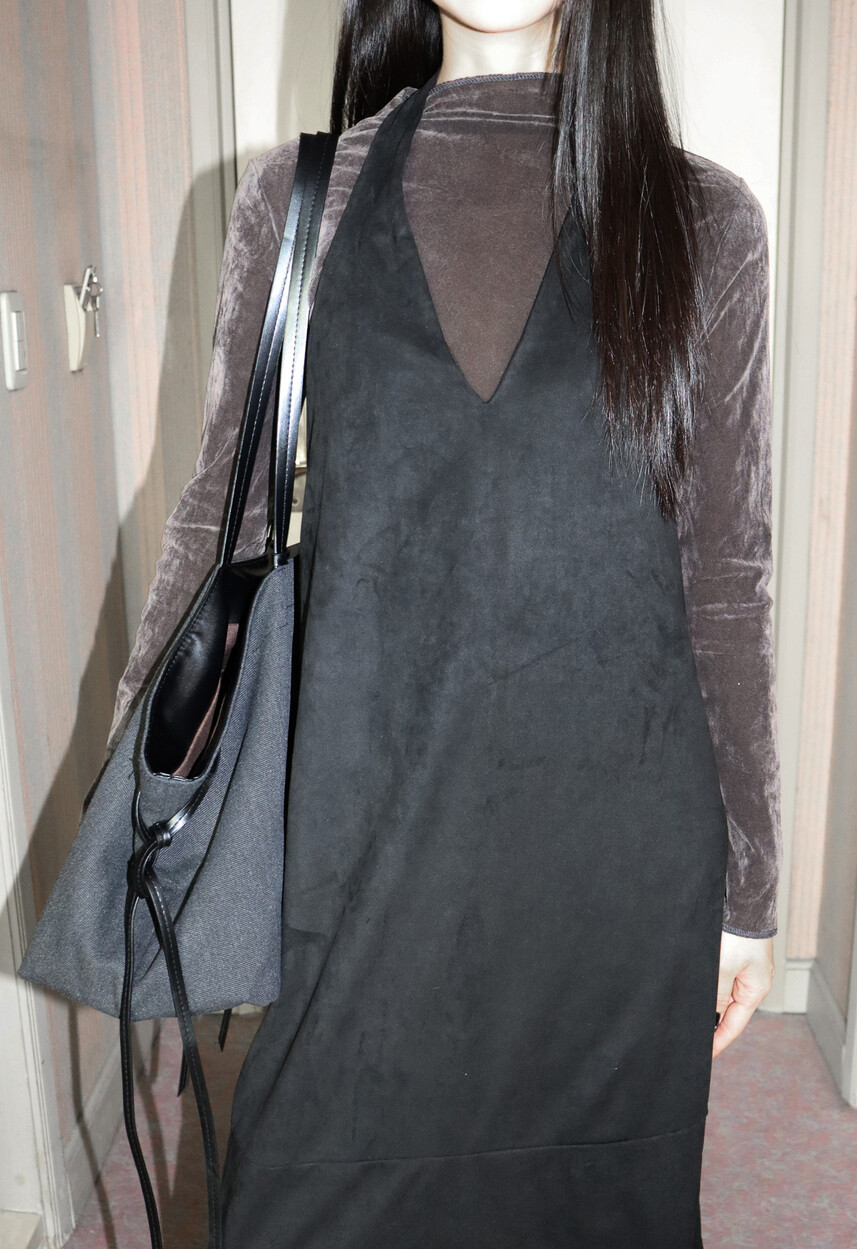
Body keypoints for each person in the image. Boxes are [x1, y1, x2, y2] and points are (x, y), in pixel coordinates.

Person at [106, 2, 781, 1244]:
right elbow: (217, 528)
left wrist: (749, 891)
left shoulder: (705, 223)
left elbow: (728, 576)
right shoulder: (297, 205)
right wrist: (147, 807)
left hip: (615, 884)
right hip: (363, 852)